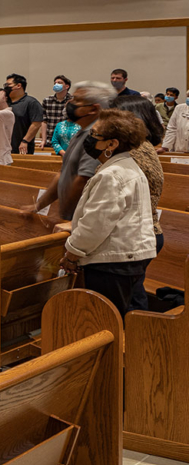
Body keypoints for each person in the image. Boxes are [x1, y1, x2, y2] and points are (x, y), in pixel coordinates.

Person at [60, 108, 155, 315]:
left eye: (94, 135)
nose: (89, 139)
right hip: (127, 257)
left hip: (112, 261)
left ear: (112, 144)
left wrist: (72, 253)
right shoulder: (128, 166)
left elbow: (96, 224)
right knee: (121, 315)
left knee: (104, 319)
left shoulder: (111, 175)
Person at [24, 82, 111, 220]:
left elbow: (83, 180)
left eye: (77, 100)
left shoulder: (97, 137)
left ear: (93, 109)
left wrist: (66, 215)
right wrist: (38, 205)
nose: (71, 103)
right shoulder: (81, 132)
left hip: (83, 220)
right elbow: (63, 173)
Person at [109, 94, 167, 254]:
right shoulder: (138, 146)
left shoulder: (135, 151)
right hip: (137, 232)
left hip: (133, 236)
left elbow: (113, 198)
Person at [3, 74, 45, 154]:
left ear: (19, 85)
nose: (6, 87)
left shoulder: (31, 102)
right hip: (3, 147)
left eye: (8, 85)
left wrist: (25, 141)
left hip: (21, 147)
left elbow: (36, 124)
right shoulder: (4, 102)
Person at [42, 76, 71, 150]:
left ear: (67, 86)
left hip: (68, 141)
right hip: (50, 140)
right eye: (55, 83)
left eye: (59, 83)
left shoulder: (73, 101)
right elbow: (44, 121)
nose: (56, 84)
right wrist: (43, 140)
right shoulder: (47, 100)